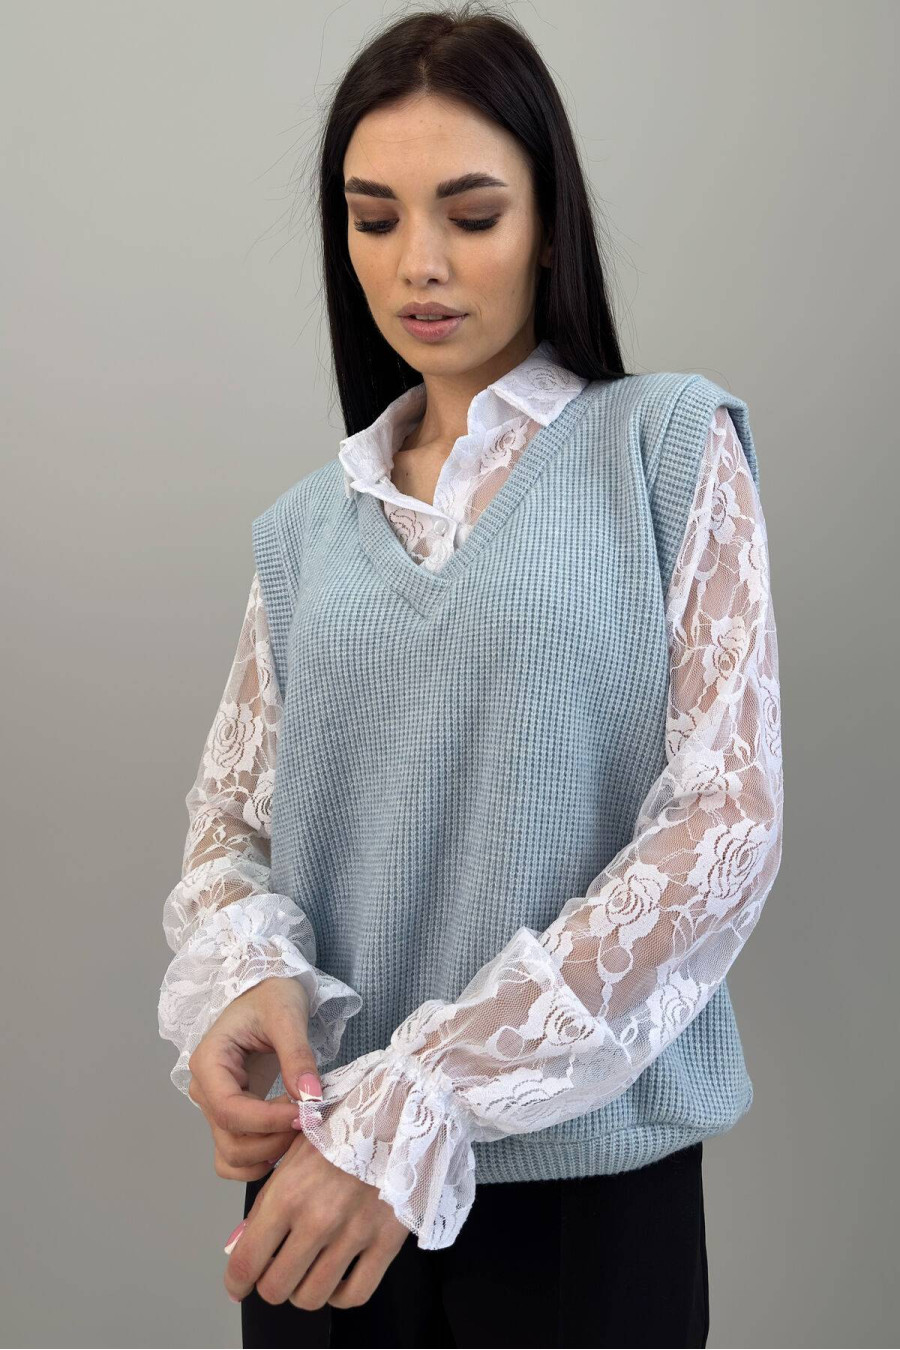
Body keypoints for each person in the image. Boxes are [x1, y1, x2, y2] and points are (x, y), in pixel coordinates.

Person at [157, 6, 783, 1347]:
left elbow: (724, 828)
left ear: (550, 223)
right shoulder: (305, 529)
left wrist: (423, 1094)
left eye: (472, 213)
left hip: (581, 1199)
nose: (419, 264)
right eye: (373, 219)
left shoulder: (667, 448)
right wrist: (247, 984)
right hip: (323, 1191)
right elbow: (231, 830)